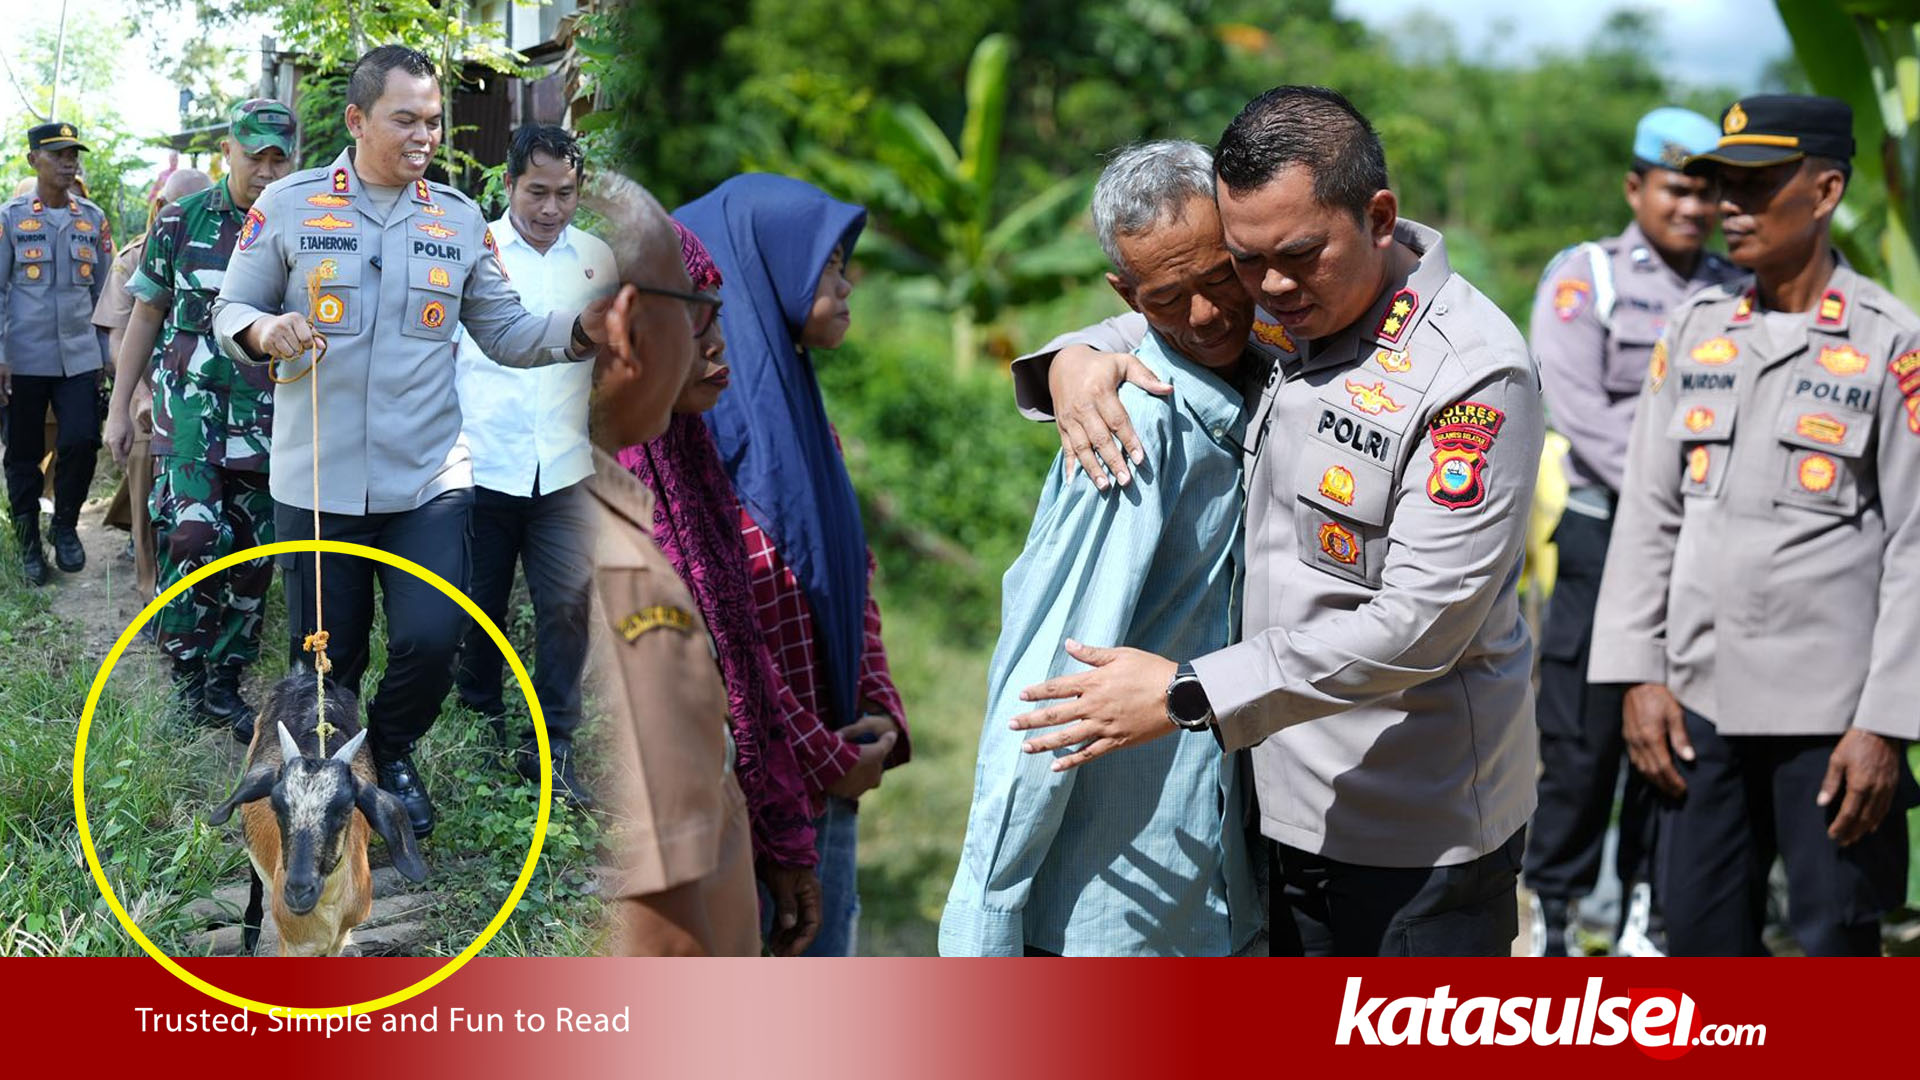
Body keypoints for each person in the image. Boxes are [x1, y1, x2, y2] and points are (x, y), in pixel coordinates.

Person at [1006, 86, 1543, 956]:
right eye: (1245, 263)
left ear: (1378, 217)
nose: (1266, 292)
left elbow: (1420, 627)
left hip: (1411, 833)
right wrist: (1075, 358)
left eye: (1296, 257)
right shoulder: (1285, 299)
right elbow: (1172, 314)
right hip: (1266, 803)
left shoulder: (1471, 377)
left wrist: (1189, 692)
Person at [212, 46, 610, 836]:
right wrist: (265, 329)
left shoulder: (458, 220)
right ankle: (329, 789)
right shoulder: (288, 207)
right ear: (358, 120)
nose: (425, 134)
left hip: (429, 478)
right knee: (329, 660)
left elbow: (507, 330)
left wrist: (582, 331)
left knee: (433, 639)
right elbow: (231, 309)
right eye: (407, 119)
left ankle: (391, 755)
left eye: (433, 120)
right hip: (318, 480)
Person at [1591, 94, 1920, 956]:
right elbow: (1649, 514)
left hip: (1834, 723)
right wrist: (1637, 676)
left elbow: (1916, 546)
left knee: (1832, 948)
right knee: (1701, 946)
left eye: (1754, 183)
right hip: (1695, 709)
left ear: (1824, 192)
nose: (1727, 205)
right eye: (1719, 184)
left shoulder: (1892, 341)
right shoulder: (1694, 330)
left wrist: (1887, 723)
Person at [941, 141, 1261, 956]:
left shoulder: (1271, 376)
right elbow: (1045, 686)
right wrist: (985, 922)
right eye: (1169, 297)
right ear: (1127, 293)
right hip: (1116, 907)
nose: (1205, 315)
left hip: (1216, 883)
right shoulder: (1133, 430)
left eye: (1223, 276)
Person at [674, 174, 910, 956]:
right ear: (765, 270)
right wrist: (819, 755)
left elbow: (851, 575)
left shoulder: (805, 418)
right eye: (830, 267)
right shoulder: (696, 435)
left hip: (833, 765)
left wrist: (877, 708)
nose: (847, 286)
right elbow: (728, 633)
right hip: (763, 788)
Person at [1522, 106, 1738, 957]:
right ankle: (1556, 913)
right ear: (1636, 187)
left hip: (1708, 550)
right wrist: (1690, 490)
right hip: (1604, 536)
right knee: (1581, 739)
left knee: (1680, 735)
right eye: (1677, 189)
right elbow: (1575, 406)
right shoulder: (1589, 278)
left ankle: (1651, 906)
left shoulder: (1735, 285)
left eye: (1707, 193)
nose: (1693, 208)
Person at [618, 219, 828, 956]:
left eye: (719, 315)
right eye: (693, 318)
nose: (716, 344)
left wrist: (784, 838)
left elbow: (739, 651)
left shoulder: (688, 452)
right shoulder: (604, 493)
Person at [584, 170, 760, 957]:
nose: (710, 340)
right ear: (625, 328)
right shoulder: (618, 577)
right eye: (697, 313)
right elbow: (658, 923)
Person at [108, 101, 294, 739]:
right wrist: (119, 407)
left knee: (254, 555)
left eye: (279, 158)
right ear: (228, 154)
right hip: (187, 416)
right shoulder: (181, 222)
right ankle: (186, 674)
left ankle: (225, 681)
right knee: (191, 540)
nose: (267, 171)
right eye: (255, 157)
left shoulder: (300, 224)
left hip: (267, 421)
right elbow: (146, 317)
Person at [450, 124, 615, 806]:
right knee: (477, 608)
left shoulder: (600, 261)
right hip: (483, 462)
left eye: (566, 193)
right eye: (538, 191)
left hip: (566, 469)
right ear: (510, 183)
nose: (551, 207)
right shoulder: (473, 251)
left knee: (567, 607)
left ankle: (554, 745)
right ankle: (482, 730)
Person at [1, 121, 113, 585]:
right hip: (24, 358)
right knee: (23, 453)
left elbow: (106, 294)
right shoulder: (9, 219)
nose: (69, 162)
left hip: (80, 357)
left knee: (82, 440)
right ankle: (29, 543)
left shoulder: (92, 218)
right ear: (34, 161)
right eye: (58, 154)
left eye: (73, 154)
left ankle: (64, 524)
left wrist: (109, 354)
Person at [97, 167, 213, 604]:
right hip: (149, 396)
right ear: (161, 208)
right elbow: (118, 339)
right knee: (146, 486)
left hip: (204, 399)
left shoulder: (227, 249)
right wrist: (139, 398)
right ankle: (153, 598)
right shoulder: (133, 258)